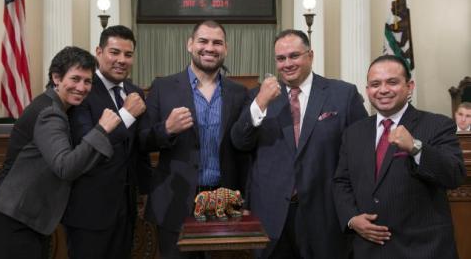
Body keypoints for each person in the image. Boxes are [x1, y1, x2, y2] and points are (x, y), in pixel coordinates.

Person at [230, 29, 368, 258]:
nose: (287, 64)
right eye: (280, 58)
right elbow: (239, 142)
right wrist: (260, 102)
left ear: (310, 55)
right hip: (271, 216)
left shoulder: (343, 94)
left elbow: (362, 152)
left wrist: (355, 209)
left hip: (326, 213)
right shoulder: (258, 96)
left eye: (294, 56)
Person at [0, 46, 121, 258]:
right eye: (75, 79)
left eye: (87, 81)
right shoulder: (50, 113)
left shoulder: (53, 106)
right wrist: (102, 129)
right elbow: (66, 167)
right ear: (56, 78)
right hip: (12, 223)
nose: (81, 87)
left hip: (22, 221)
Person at [333, 55, 466, 259]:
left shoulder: (438, 125)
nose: (383, 89)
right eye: (375, 84)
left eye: (392, 82)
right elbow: (341, 182)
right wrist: (351, 218)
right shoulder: (354, 133)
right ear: (368, 90)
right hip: (368, 249)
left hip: (423, 250)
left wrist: (415, 147)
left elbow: (454, 175)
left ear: (409, 86)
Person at [139, 20, 249, 258]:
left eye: (217, 42)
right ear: (190, 44)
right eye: (203, 41)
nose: (210, 47)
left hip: (224, 204)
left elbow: (245, 146)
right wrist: (166, 129)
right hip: (175, 204)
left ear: (226, 49)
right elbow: (142, 140)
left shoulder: (239, 93)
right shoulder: (163, 87)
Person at [63, 25, 150, 258]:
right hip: (90, 209)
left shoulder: (135, 92)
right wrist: (127, 115)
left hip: (126, 206)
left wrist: (144, 190)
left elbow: (138, 148)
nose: (121, 60)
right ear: (98, 52)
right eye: (114, 52)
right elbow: (87, 144)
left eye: (128, 54)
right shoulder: (82, 90)